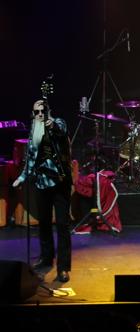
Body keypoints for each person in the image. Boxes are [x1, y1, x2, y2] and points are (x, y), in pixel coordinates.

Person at [13, 100, 73, 282]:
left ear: (49, 111)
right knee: (44, 224)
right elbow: (30, 159)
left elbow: (61, 130)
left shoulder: (58, 123)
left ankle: (63, 268)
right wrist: (22, 178)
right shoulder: (33, 131)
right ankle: (46, 258)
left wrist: (52, 124)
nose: (40, 114)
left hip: (60, 184)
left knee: (62, 225)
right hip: (41, 183)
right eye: (37, 112)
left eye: (43, 111)